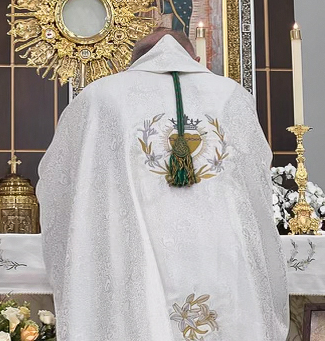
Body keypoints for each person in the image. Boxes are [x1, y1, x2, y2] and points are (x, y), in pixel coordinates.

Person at [37, 28, 289, 341]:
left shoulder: (100, 96)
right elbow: (256, 188)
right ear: (195, 58)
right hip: (221, 254)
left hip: (130, 254)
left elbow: (60, 182)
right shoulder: (232, 94)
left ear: (132, 62)